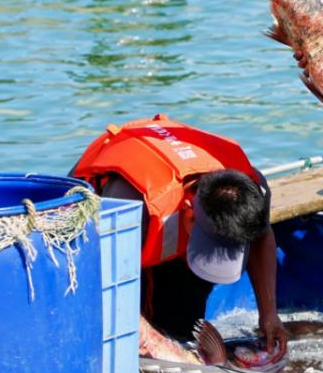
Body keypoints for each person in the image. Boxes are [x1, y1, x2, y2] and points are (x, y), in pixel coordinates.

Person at [72, 114, 287, 355]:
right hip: (116, 225)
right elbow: (100, 276)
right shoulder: (129, 202)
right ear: (189, 216)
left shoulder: (251, 190)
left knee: (181, 328)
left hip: (170, 214)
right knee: (126, 339)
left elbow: (261, 236)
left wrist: (269, 314)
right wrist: (152, 340)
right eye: (210, 247)